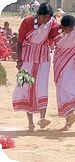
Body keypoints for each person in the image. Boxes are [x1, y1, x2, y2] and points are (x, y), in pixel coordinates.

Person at [12, 2, 59, 131]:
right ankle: (30, 122)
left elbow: (56, 35)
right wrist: (19, 60)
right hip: (27, 59)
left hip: (43, 59)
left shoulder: (51, 24)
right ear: (38, 15)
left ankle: (42, 118)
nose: (46, 20)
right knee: (27, 87)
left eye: (48, 18)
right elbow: (20, 42)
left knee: (42, 86)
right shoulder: (27, 22)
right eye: (44, 17)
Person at [53, 15, 75, 131]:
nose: (68, 31)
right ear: (62, 26)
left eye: (70, 29)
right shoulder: (56, 31)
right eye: (66, 29)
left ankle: (70, 116)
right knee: (61, 87)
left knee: (72, 88)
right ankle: (69, 118)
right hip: (60, 61)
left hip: (74, 62)